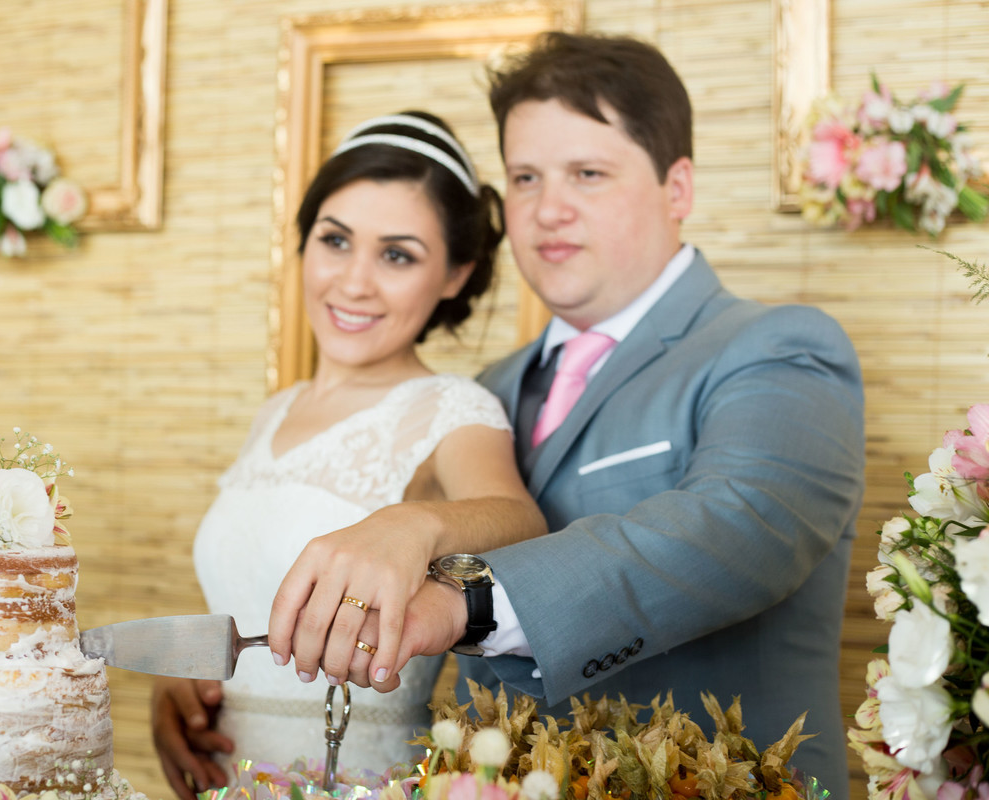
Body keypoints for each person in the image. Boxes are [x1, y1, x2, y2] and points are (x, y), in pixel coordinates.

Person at [268, 33, 864, 799]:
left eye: (588, 173)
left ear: (677, 188)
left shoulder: (775, 348)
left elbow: (740, 523)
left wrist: (466, 596)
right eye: (524, 177)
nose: (548, 210)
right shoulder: (483, 390)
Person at [150, 111, 547, 799]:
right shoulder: (275, 411)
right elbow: (248, 594)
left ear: (457, 274)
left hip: (360, 779)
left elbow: (524, 523)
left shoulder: (453, 407)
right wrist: (183, 684)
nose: (354, 282)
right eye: (336, 241)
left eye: (397, 255)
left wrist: (412, 524)